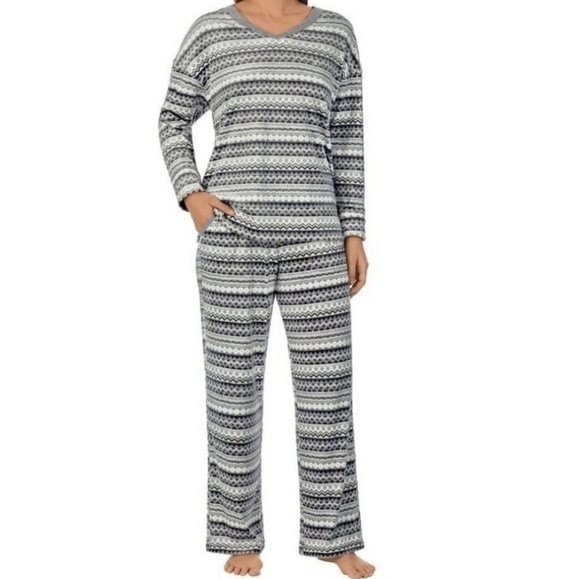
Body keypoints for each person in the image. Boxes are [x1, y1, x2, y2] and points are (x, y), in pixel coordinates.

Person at [157, 1, 374, 577]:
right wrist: (192, 195)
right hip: (232, 240)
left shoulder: (336, 32)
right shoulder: (210, 30)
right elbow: (172, 117)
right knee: (233, 396)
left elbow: (348, 137)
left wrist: (354, 231)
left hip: (318, 240)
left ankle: (333, 536)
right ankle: (238, 535)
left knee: (328, 396)